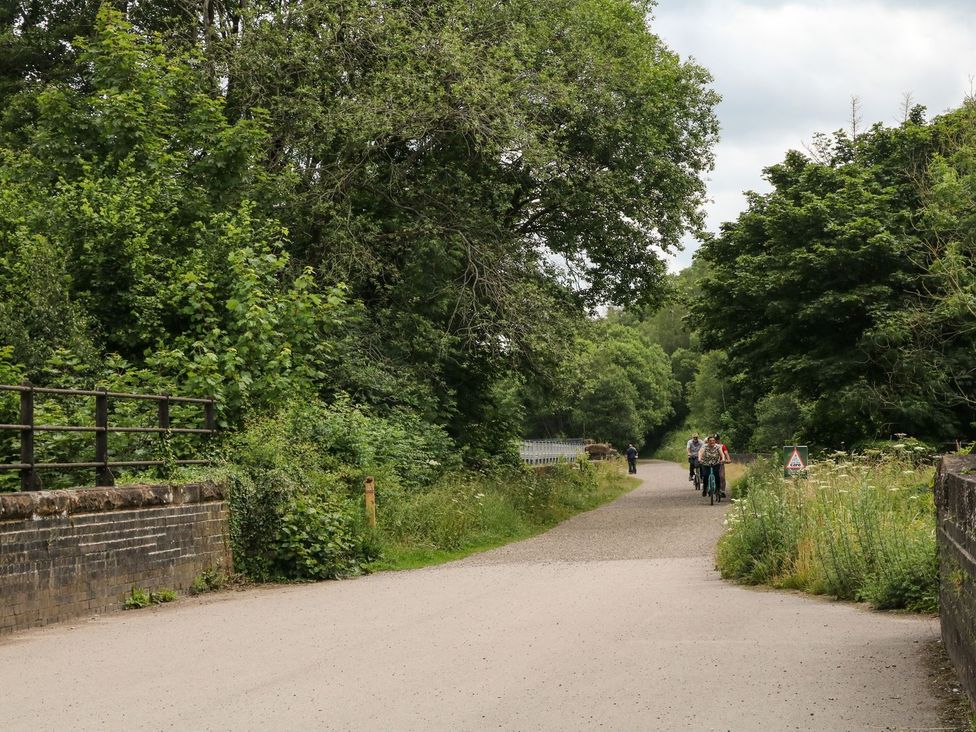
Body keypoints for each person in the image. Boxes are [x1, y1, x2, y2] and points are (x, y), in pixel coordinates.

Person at [715, 433, 732, 498]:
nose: (716, 441)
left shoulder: (722, 446)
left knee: (722, 477)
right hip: (712, 463)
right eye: (715, 440)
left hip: (720, 463)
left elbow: (726, 453)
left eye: (717, 439)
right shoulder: (710, 446)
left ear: (719, 439)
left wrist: (728, 459)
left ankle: (722, 491)